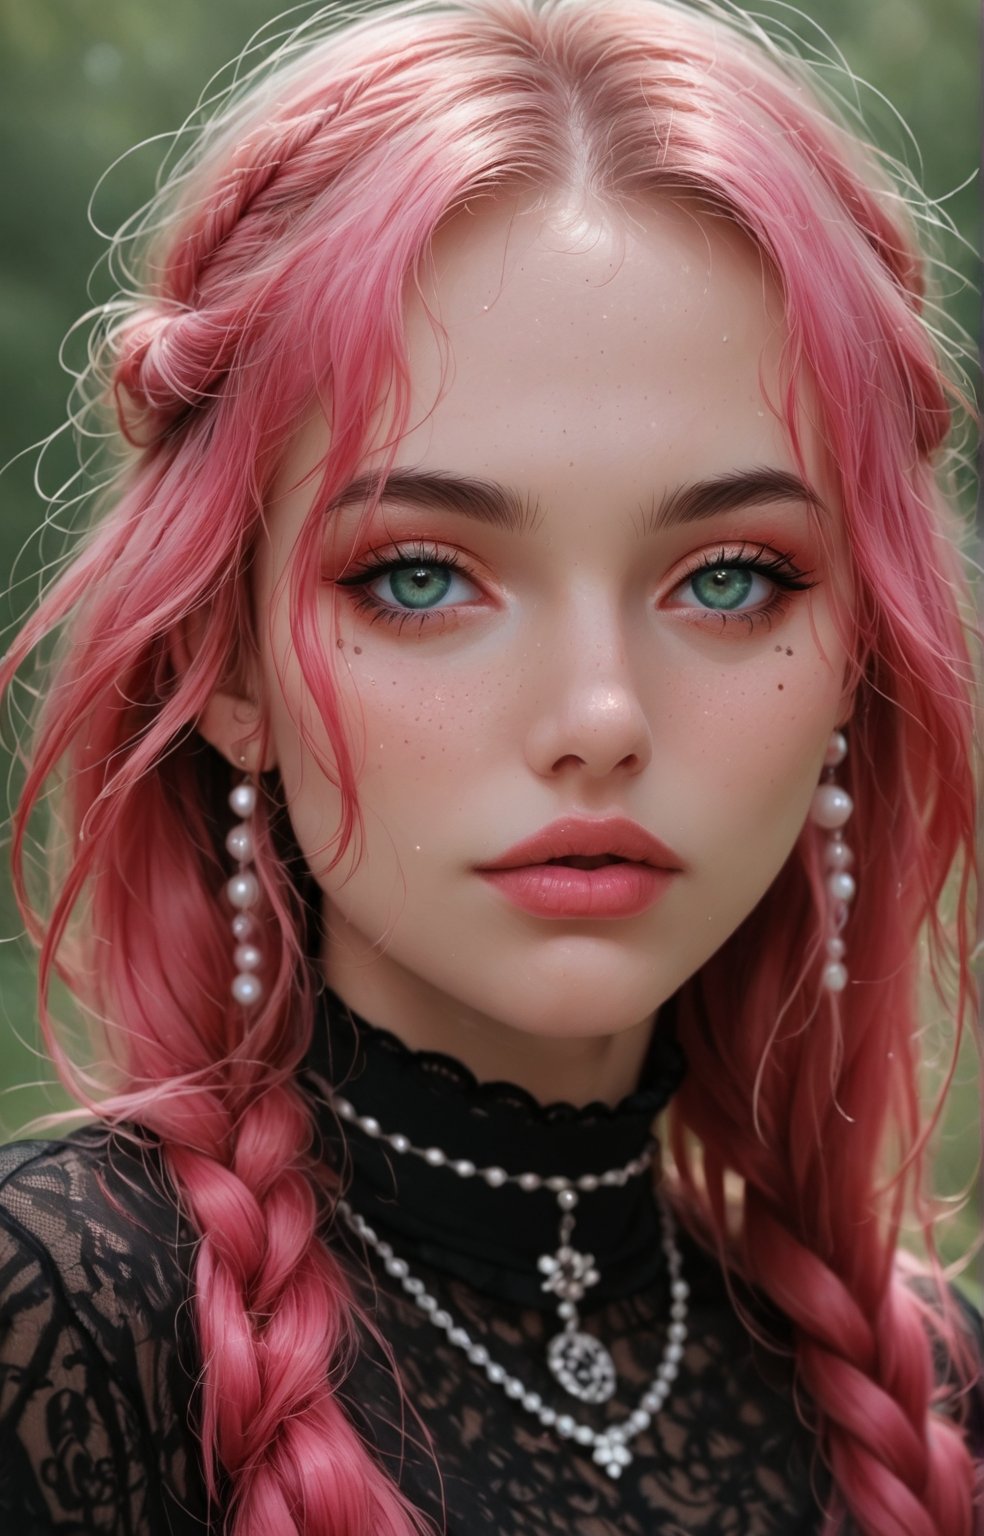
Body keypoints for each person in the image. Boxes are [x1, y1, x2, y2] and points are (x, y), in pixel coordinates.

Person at [0, 0, 981, 1531]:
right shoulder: (61, 1325)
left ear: (857, 662)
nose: (598, 714)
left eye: (729, 576)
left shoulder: (937, 1406)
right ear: (231, 664)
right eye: (417, 574)